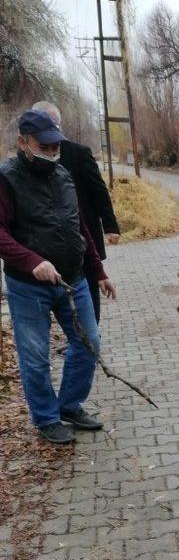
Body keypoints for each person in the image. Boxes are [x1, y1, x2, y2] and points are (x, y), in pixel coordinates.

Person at [0, 109, 116, 445]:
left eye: (56, 147)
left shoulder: (63, 174)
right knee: (36, 356)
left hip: (73, 280)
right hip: (29, 287)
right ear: (23, 143)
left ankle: (69, 404)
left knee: (89, 342)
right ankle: (47, 418)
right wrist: (32, 261)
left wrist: (98, 271)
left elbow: (79, 227)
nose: (52, 153)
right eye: (45, 147)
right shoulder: (7, 179)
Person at [32, 100, 120, 324]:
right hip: (48, 245)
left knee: (89, 290)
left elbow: (99, 191)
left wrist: (110, 226)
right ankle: (75, 334)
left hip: (84, 236)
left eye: (54, 123)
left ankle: (91, 332)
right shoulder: (25, 163)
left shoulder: (78, 153)